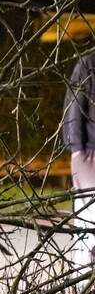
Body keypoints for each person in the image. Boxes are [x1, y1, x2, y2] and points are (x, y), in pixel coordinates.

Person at [63, 52, 95, 269]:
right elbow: (75, 106)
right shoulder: (88, 64)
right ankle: (82, 282)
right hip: (90, 153)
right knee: (88, 219)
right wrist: (76, 150)